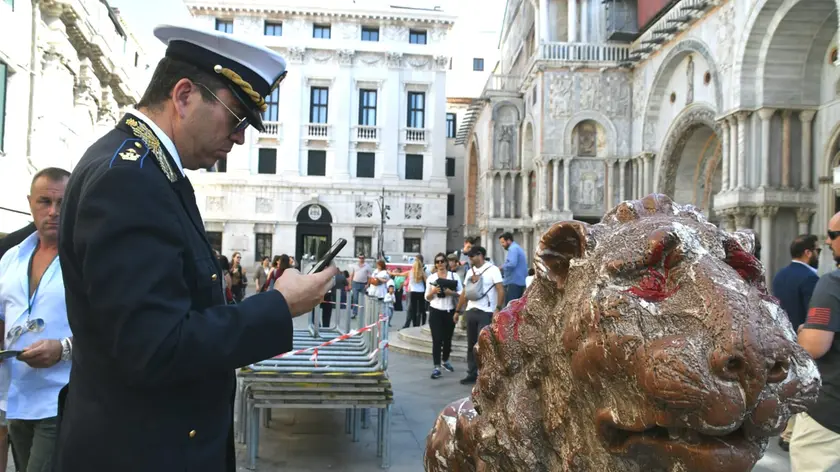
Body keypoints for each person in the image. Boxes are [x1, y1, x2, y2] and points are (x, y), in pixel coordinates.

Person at [54, 24, 338, 472]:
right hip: (141, 450)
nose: (241, 137)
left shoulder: (149, 169)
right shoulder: (128, 179)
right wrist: (279, 306)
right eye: (237, 117)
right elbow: (157, 346)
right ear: (184, 96)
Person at [0, 168, 73, 472]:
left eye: (62, 202)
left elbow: (109, 328)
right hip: (15, 398)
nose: (53, 212)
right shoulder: (11, 258)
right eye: (45, 201)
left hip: (61, 398)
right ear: (30, 202)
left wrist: (63, 348)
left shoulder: (85, 258)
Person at [789, 215, 840, 470]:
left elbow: (814, 345)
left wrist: (803, 331)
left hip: (830, 415)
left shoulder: (832, 284)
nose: (828, 242)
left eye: (831, 235)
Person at [772, 235, 820, 451]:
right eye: (816, 250)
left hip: (781, 337)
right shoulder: (811, 278)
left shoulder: (780, 275)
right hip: (802, 339)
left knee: (787, 383)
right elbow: (814, 313)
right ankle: (791, 433)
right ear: (808, 252)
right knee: (803, 386)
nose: (819, 254)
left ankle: (785, 429)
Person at [454, 246, 504, 385]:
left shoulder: (493, 270)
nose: (469, 259)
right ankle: (471, 372)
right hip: (471, 311)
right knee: (471, 344)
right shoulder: (470, 271)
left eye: (471, 256)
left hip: (486, 312)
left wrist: (498, 308)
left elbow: (500, 290)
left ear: (480, 255)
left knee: (483, 344)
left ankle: (485, 374)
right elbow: (464, 292)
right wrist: (458, 311)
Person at [426, 252, 462, 379]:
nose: (440, 264)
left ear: (446, 262)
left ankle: (445, 360)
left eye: (442, 261)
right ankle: (436, 366)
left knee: (447, 339)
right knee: (437, 339)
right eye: (437, 262)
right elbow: (427, 297)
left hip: (450, 310)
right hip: (435, 310)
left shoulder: (454, 276)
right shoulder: (431, 278)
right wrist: (434, 291)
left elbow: (461, 294)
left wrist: (450, 293)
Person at [499, 232, 527, 304]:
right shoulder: (517, 248)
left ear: (508, 240)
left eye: (503, 242)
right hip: (519, 282)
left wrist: (501, 267)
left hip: (513, 283)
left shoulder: (513, 249)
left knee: (510, 308)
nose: (502, 245)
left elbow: (512, 263)